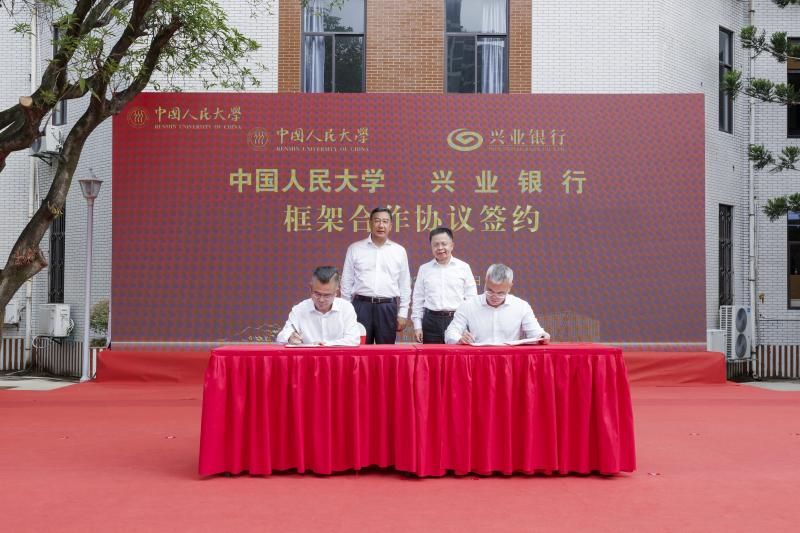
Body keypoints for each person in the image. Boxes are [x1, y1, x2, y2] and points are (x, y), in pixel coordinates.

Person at [340, 207, 412, 344]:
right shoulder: (355, 249)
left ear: (390, 226)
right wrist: (346, 310)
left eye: (385, 221)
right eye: (377, 221)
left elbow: (404, 285)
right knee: (359, 349)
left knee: (386, 352)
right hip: (361, 306)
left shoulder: (399, 251)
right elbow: (346, 282)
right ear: (370, 223)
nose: (381, 225)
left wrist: (403, 313)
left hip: (387, 307)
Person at [444, 263, 550, 345]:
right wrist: (459, 339)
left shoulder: (521, 306)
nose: (494, 296)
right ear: (485, 282)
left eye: (500, 293)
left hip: (509, 360)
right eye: (490, 290)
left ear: (510, 287)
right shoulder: (468, 305)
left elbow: (536, 334)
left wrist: (542, 336)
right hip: (478, 359)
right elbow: (450, 333)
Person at [411, 227, 477, 343]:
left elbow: (471, 299)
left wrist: (469, 325)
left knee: (456, 354)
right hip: (431, 322)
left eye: (444, 244)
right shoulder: (424, 269)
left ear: (452, 245)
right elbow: (418, 299)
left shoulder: (463, 267)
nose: (440, 248)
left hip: (457, 320)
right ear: (431, 247)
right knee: (432, 355)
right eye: (436, 245)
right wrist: (417, 326)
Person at [276, 266, 361, 346]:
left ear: (336, 292)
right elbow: (281, 337)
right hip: (308, 356)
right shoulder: (299, 309)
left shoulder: (346, 308)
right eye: (317, 294)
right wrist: (290, 337)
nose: (321, 300)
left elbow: (353, 339)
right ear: (310, 289)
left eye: (327, 295)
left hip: (338, 356)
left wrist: (325, 345)